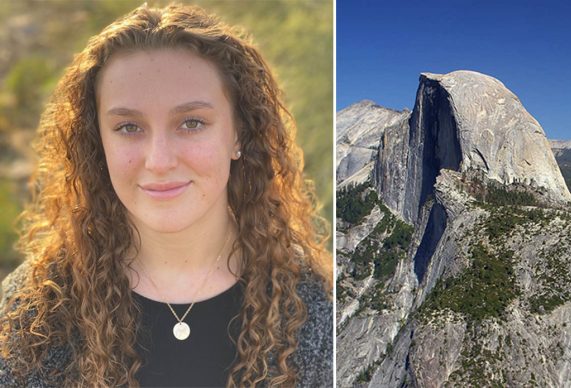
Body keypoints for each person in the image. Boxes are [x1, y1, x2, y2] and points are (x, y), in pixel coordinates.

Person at [0, 3, 332, 387]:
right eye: (128, 126)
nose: (158, 160)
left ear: (238, 133)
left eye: (191, 123)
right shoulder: (30, 318)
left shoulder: (313, 307)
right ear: (98, 143)